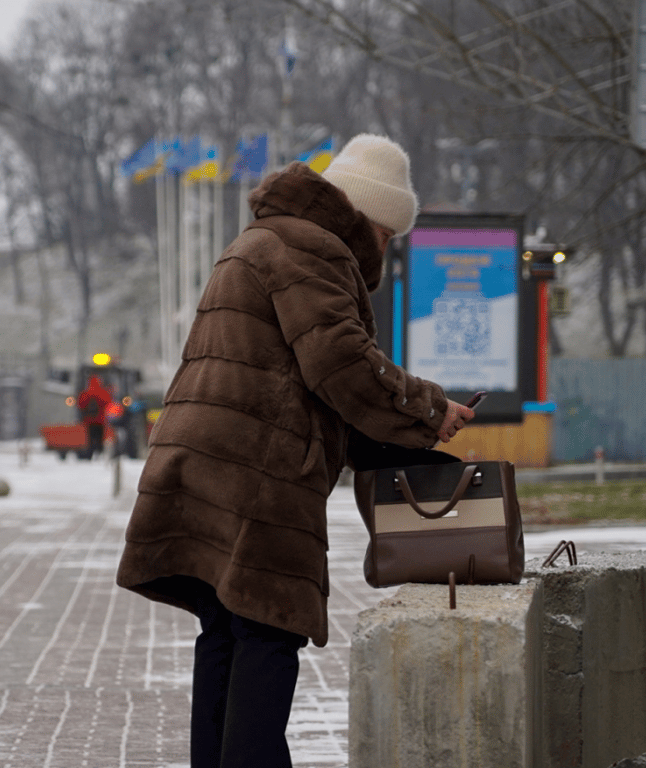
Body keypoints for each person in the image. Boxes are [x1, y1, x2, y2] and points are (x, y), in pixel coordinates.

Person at [115, 134, 475, 768]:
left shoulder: (260, 239)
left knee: (226, 634)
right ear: (366, 214)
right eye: (388, 234)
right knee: (268, 633)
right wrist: (429, 408)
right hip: (255, 476)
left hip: (200, 465)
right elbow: (341, 365)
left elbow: (310, 378)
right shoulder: (314, 249)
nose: (385, 250)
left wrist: (406, 440)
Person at [76, 375, 113, 460]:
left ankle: (89, 453)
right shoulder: (103, 392)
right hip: (100, 421)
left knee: (89, 438)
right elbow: (108, 403)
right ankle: (99, 452)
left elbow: (80, 404)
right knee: (100, 438)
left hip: (88, 422)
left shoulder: (85, 393)